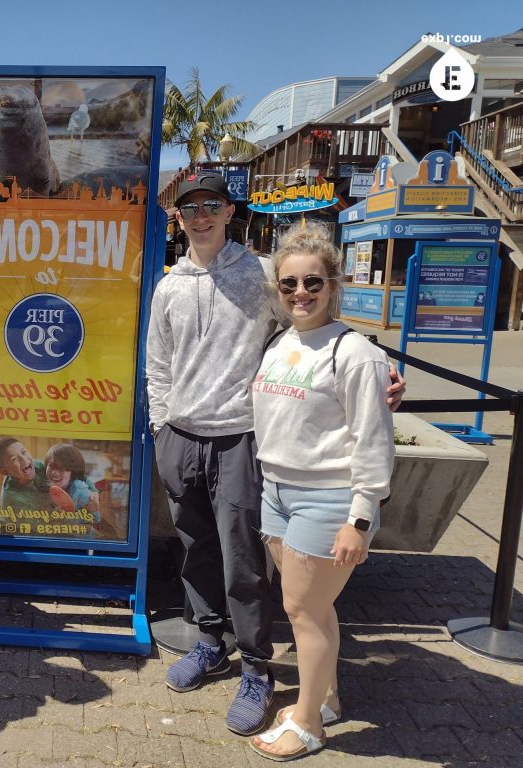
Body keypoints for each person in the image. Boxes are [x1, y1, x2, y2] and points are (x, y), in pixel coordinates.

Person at [146, 173, 403, 738]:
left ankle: (256, 667)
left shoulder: (263, 273)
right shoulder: (169, 286)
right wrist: (162, 426)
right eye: (190, 208)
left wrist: (378, 365)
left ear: (229, 210)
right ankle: (210, 641)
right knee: (195, 549)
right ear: (177, 218)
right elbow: (158, 363)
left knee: (244, 560)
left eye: (211, 204)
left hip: (241, 438)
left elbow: (312, 322)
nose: (201, 216)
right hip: (181, 438)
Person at [249, 225, 393, 761]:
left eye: (313, 282)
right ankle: (325, 698)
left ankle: (308, 723)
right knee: (314, 608)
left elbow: (373, 440)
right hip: (277, 490)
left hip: (328, 498)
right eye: (289, 284)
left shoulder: (354, 352)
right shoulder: (280, 342)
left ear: (333, 284)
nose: (300, 293)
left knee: (301, 610)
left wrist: (360, 518)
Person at [0, 437, 50, 513]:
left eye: (23, 452)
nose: (24, 459)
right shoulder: (13, 500)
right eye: (14, 459)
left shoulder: (38, 465)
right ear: (4, 472)